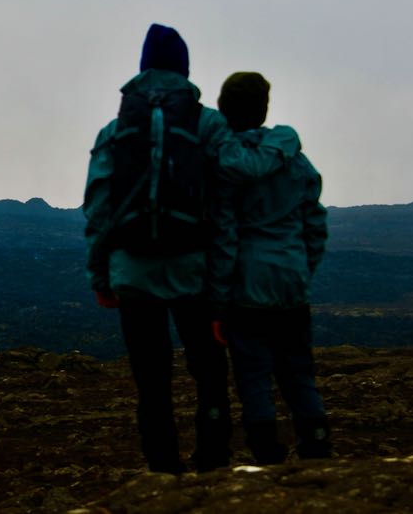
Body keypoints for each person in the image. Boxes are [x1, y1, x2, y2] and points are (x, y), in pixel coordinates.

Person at [83, 24, 301, 474]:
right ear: (185, 70)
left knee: (152, 380)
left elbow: (99, 210)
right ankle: (212, 462)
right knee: (209, 375)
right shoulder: (207, 124)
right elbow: (226, 205)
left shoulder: (116, 129)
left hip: (133, 273)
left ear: (142, 69)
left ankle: (163, 470)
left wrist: (102, 277)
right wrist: (220, 295)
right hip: (192, 272)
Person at [209, 71, 331, 464]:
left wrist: (219, 299)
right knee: (299, 373)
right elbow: (315, 226)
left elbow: (224, 237)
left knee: (253, 377)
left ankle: (266, 454)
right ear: (263, 108)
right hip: (291, 281)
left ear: (224, 109)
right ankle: (315, 446)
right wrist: (301, 269)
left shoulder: (226, 168)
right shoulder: (296, 162)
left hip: (247, 286)